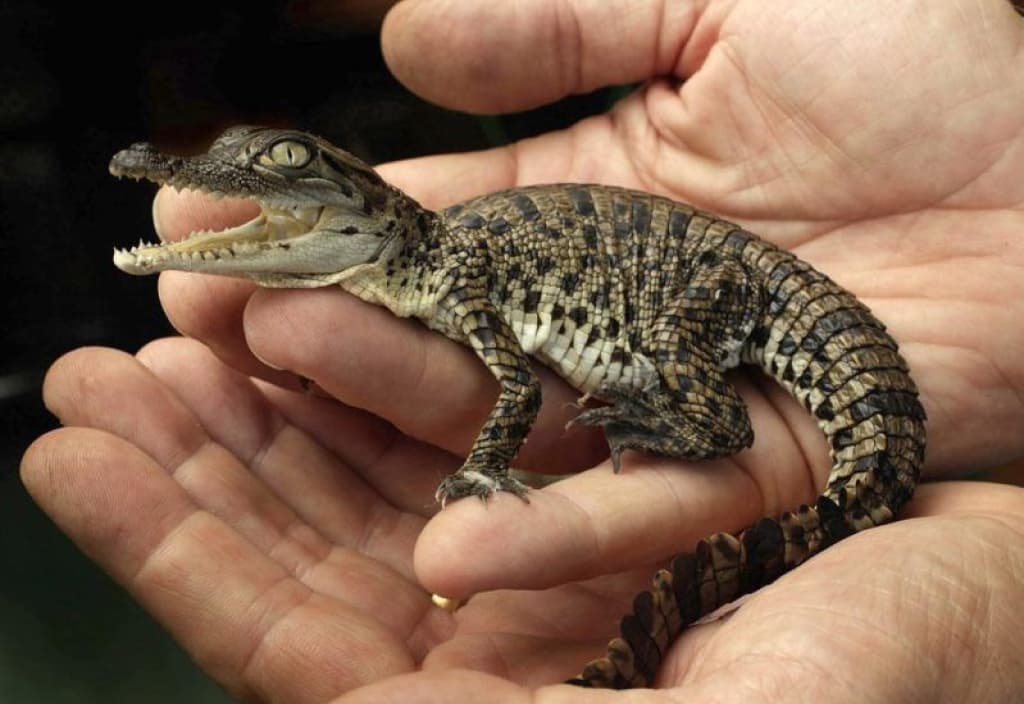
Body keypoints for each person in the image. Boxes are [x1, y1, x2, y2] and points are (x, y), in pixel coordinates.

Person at [22, 1, 1024, 701]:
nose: (244, 176)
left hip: (736, 292)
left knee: (676, 351)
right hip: (715, 278)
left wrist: (485, 465)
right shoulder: (428, 262)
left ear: (361, 201)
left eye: (285, 162)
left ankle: (712, 421)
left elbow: (513, 389)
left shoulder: (450, 273)